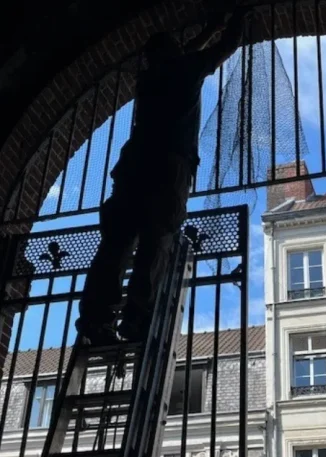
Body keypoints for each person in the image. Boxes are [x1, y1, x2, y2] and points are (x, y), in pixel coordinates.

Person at [75, 8, 251, 345]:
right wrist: (238, 16)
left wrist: (208, 29)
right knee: (156, 241)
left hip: (133, 166)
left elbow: (185, 54)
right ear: (173, 51)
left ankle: (95, 319)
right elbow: (227, 47)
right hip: (168, 168)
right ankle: (136, 319)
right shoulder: (186, 70)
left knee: (115, 244)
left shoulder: (149, 78)